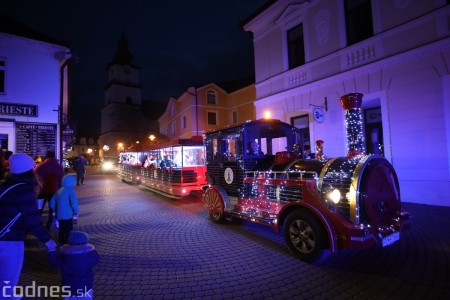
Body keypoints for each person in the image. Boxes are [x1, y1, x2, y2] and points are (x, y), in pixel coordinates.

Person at [0, 153, 57, 298]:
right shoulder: (25, 190)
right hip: (10, 240)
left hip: (3, 234)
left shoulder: (5, 185)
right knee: (9, 276)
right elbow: (32, 220)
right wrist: (48, 241)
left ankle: (8, 294)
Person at [48, 231, 100, 299]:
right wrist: (92, 250)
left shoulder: (65, 258)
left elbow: (54, 261)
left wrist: (52, 250)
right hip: (85, 286)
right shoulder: (90, 256)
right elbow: (97, 258)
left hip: (69, 288)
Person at [34, 149, 65, 230]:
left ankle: (37, 225)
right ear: (54, 156)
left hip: (41, 192)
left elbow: (35, 178)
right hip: (54, 191)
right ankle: (49, 225)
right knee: (52, 209)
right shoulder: (59, 167)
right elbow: (61, 179)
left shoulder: (40, 166)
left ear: (46, 156)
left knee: (39, 208)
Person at [50, 174, 79, 245]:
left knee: (61, 229)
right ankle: (67, 242)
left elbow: (52, 201)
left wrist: (54, 210)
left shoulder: (59, 191)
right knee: (68, 229)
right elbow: (74, 203)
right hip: (68, 215)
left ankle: (61, 241)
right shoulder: (71, 191)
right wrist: (76, 211)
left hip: (59, 214)